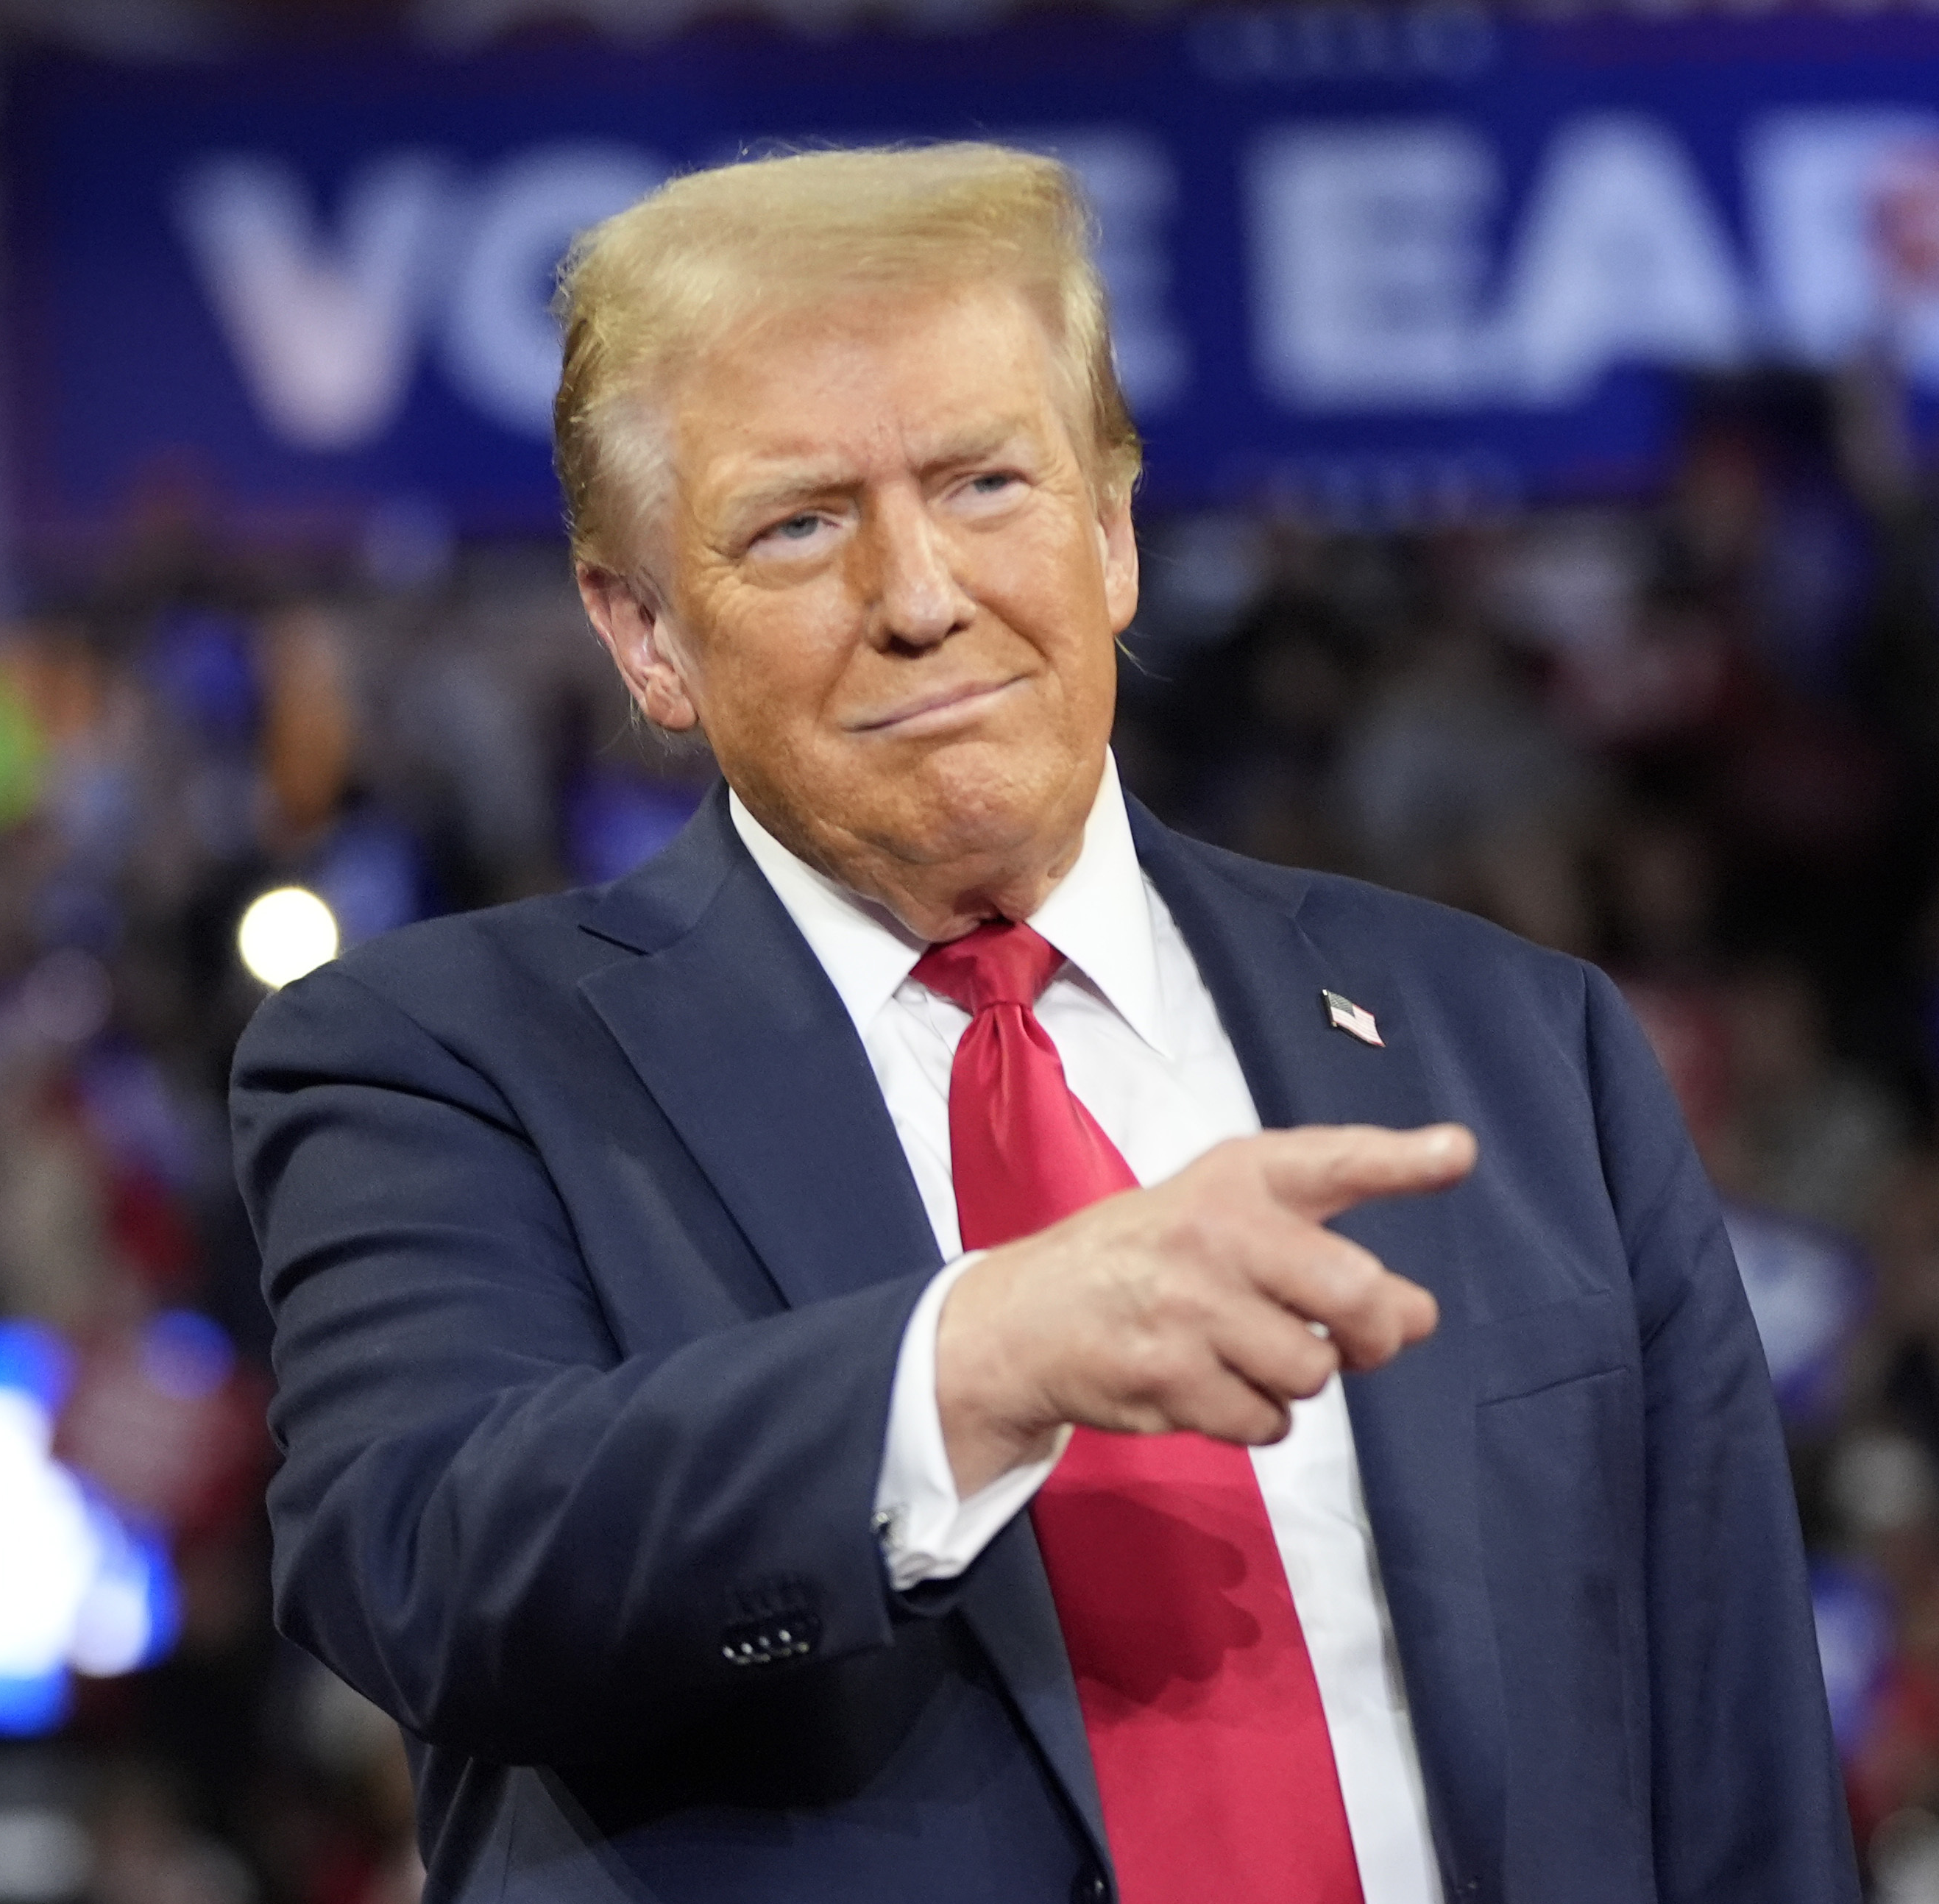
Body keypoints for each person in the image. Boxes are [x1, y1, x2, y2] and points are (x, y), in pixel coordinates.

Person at [233, 143, 1857, 1904]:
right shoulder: (440, 1059)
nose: (922, 597)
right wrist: (979, 1357)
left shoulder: (1521, 1043)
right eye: (800, 523)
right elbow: (428, 1557)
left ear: (1112, 533)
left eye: (986, 483)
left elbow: (1737, 1760)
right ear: (645, 636)